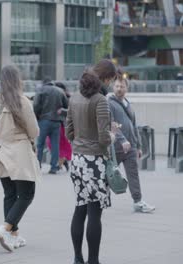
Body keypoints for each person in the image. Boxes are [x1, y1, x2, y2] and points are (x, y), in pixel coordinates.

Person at [0, 65, 40, 252]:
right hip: (19, 152)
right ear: (18, 80)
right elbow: (34, 131)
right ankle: (5, 228)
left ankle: (13, 236)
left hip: (0, 150)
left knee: (9, 193)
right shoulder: (22, 101)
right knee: (26, 194)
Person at [66, 62, 117, 264]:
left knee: (80, 208)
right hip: (94, 161)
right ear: (105, 79)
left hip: (77, 159)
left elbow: (68, 131)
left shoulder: (75, 98)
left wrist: (80, 140)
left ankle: (78, 258)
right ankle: (93, 261)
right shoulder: (100, 100)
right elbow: (104, 139)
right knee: (95, 213)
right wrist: (113, 135)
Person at [108, 75, 156, 213]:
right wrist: (122, 139)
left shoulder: (128, 104)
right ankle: (98, 200)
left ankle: (138, 201)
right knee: (108, 175)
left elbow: (134, 126)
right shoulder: (109, 102)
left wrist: (138, 146)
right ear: (113, 87)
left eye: (122, 86)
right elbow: (111, 124)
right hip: (115, 147)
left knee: (133, 175)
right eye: (117, 86)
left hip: (131, 148)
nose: (119, 89)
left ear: (126, 88)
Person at [34, 80, 69, 174]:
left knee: (40, 144)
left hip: (43, 120)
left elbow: (36, 105)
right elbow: (67, 106)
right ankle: (54, 167)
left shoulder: (41, 90)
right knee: (55, 145)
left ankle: (38, 166)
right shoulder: (60, 91)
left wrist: (37, 117)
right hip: (56, 121)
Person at [46, 82, 72, 171]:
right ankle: (61, 162)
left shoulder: (68, 98)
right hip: (54, 123)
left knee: (63, 145)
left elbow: (71, 111)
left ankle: (59, 164)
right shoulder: (52, 98)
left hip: (64, 125)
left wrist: (62, 111)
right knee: (50, 143)